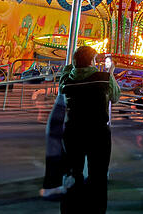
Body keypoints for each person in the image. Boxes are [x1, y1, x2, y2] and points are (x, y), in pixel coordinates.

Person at [58, 45, 120, 214]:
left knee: (72, 172)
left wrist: (74, 63)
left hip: (72, 131)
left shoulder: (66, 80)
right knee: (98, 175)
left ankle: (69, 209)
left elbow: (66, 73)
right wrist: (111, 72)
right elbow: (115, 97)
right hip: (97, 132)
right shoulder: (104, 78)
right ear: (92, 61)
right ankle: (96, 210)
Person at [40, 93, 66, 199]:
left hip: (64, 107)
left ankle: (54, 184)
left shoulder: (66, 78)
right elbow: (114, 94)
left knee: (55, 146)